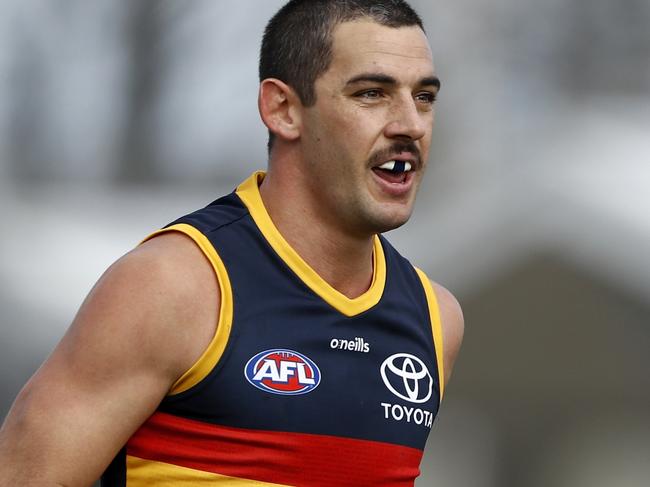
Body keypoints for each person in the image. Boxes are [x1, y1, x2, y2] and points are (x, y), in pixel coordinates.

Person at [0, 0, 464, 485]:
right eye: (372, 93)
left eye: (425, 97)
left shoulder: (435, 319)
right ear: (282, 109)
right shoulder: (173, 285)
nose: (410, 124)